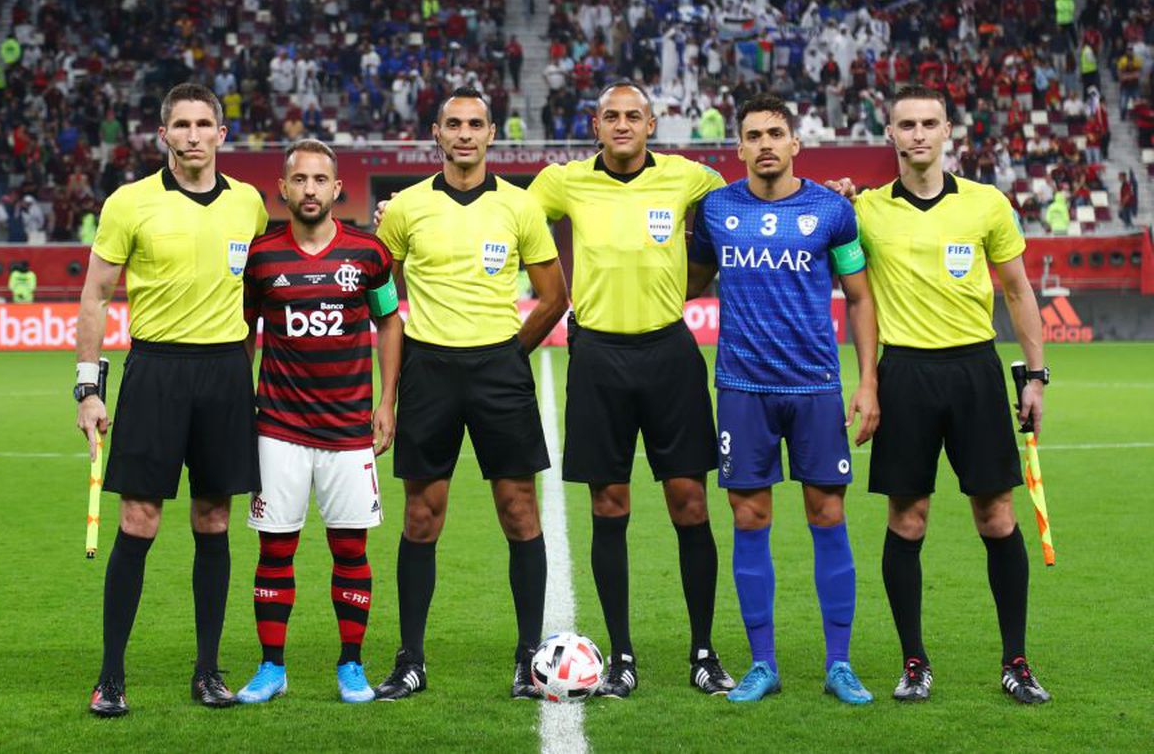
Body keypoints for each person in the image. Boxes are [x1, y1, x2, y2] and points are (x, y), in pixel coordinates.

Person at [840, 85, 1050, 704]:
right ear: (890, 134)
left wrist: (1036, 377)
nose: (918, 134)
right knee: (907, 519)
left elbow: (1018, 291)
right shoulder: (865, 210)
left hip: (974, 370)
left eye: (929, 123)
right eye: (906, 124)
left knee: (997, 516)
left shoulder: (987, 204)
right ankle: (914, 662)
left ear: (948, 131)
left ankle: (1016, 660)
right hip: (905, 373)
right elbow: (851, 287)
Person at [527, 81, 734, 697]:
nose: (622, 125)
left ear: (651, 124)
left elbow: (739, 206)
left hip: (669, 352)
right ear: (595, 126)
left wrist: (697, 269)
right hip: (598, 357)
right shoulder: (563, 182)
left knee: (689, 503)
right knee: (609, 505)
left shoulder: (687, 176)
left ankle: (703, 651)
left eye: (633, 116)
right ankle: (621, 655)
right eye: (611, 116)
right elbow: (502, 212)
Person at [74, 83, 269, 718]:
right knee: (139, 522)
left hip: (224, 373)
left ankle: (208, 671)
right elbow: (96, 295)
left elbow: (260, 289)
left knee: (214, 521)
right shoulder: (129, 202)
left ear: (221, 134)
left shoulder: (248, 204)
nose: (192, 135)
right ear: (164, 135)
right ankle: (111, 677)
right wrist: (87, 389)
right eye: (180, 125)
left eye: (203, 124)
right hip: (155, 370)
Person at [373, 87, 569, 701]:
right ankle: (410, 660)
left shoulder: (519, 206)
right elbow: (382, 296)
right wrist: (389, 390)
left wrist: (509, 355)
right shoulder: (406, 208)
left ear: (490, 134)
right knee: (421, 516)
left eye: (475, 124)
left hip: (498, 370)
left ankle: (528, 657)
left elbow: (554, 297)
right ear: (437, 133)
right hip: (428, 369)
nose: (464, 133)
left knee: (519, 510)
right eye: (453, 123)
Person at [686, 93, 880, 705]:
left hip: (816, 386)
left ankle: (839, 664)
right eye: (754, 135)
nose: (765, 144)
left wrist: (867, 381)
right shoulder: (716, 209)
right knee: (749, 519)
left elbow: (860, 297)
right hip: (743, 388)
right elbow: (687, 281)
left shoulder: (833, 211)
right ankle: (762, 664)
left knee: (828, 516)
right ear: (739, 148)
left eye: (776, 133)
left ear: (795, 143)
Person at [236, 139, 403, 705]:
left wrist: (387, 401)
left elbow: (390, 322)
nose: (310, 190)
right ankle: (271, 668)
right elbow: (245, 333)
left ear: (338, 189)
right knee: (274, 552)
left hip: (349, 430)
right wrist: (240, 400)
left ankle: (351, 665)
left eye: (320, 180)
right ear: (282, 189)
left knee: (350, 550)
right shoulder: (261, 257)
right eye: (299, 180)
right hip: (278, 428)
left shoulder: (369, 253)